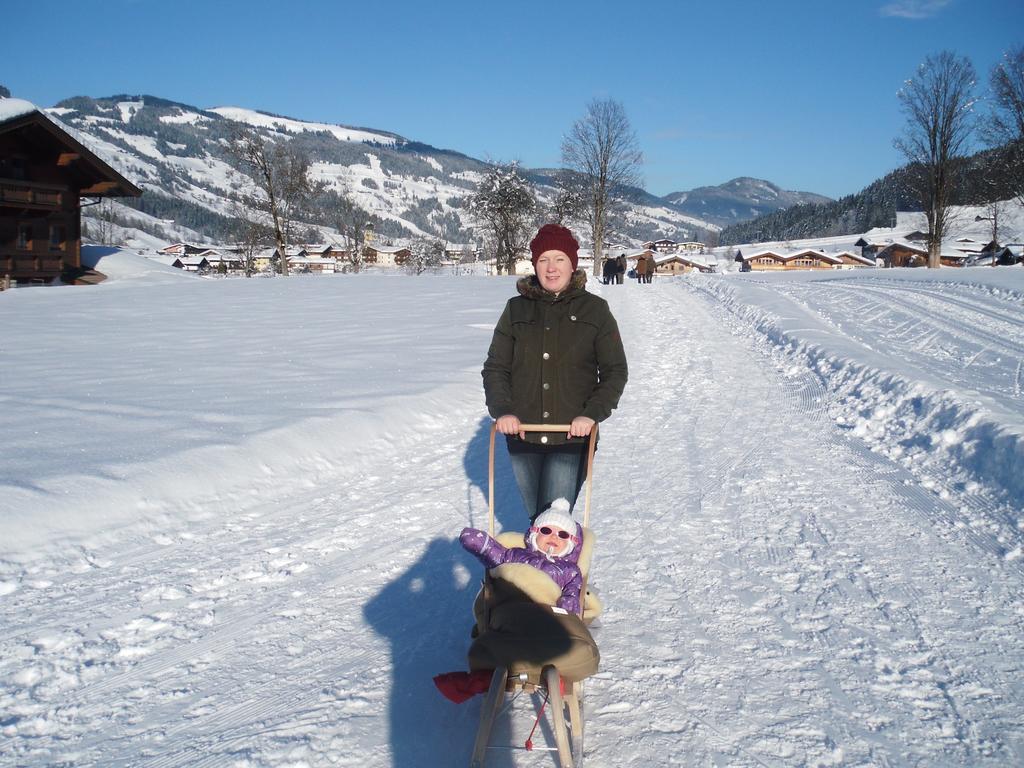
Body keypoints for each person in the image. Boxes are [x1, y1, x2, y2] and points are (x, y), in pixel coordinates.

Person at [482, 223, 628, 520]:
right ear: (534, 265)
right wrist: (503, 410)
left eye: (559, 259)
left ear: (572, 264)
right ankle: (548, 565)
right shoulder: (515, 310)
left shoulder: (596, 311)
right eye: (543, 260)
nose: (551, 268)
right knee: (538, 520)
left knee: (554, 519)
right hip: (523, 434)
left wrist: (591, 414)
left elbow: (615, 371)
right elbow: (495, 367)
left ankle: (553, 565)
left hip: (572, 438)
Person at [459, 499, 583, 614]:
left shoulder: (570, 570)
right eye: (546, 531)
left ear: (570, 543)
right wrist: (480, 543)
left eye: (563, 535)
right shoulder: (517, 554)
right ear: (535, 533)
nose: (554, 536)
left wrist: (569, 602)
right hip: (512, 606)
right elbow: (497, 556)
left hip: (546, 612)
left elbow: (574, 589)